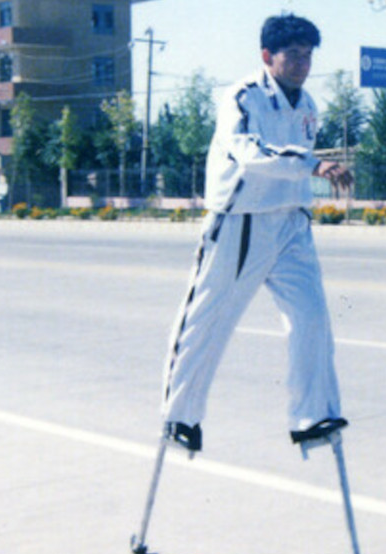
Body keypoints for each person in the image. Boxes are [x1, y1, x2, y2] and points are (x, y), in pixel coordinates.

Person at [160, 14, 354, 453]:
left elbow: (295, 158)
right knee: (209, 320)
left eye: (308, 55)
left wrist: (308, 173)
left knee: (312, 318)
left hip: (291, 221)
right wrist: (313, 164)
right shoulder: (244, 97)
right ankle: (181, 416)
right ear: (268, 56)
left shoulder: (307, 106)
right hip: (242, 220)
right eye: (293, 54)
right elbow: (249, 152)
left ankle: (313, 414)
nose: (303, 63)